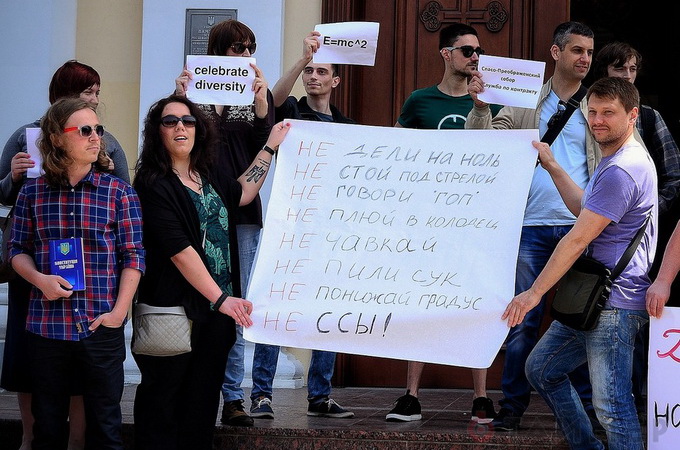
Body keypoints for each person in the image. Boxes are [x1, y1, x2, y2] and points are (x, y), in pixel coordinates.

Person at [131, 94, 289, 450]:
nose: (180, 127)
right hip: (175, 309)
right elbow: (179, 251)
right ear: (158, 133)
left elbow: (244, 192)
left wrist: (270, 147)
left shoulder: (209, 173)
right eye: (170, 122)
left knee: (202, 401)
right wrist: (221, 298)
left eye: (187, 121)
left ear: (198, 130)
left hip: (216, 313)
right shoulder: (153, 182)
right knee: (163, 399)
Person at [465, 21, 600, 431]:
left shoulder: (597, 104)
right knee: (522, 319)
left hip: (580, 228)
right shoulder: (526, 99)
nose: (585, 60)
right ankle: (513, 407)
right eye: (577, 51)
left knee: (580, 321)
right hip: (530, 226)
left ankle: (587, 414)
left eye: (590, 53)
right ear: (556, 53)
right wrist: (481, 106)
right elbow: (485, 142)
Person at [510, 76, 655, 450]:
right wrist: (554, 166)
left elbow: (577, 238)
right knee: (541, 370)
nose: (597, 120)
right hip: (593, 300)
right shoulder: (615, 161)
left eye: (608, 113)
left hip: (613, 304)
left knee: (613, 408)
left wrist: (533, 294)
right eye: (592, 112)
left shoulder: (622, 169)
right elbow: (585, 209)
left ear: (632, 115)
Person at [0, 59, 131, 450]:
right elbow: (9, 211)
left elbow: (130, 237)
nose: (93, 99)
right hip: (38, 286)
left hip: (95, 296)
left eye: (95, 93)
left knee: (98, 397)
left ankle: (77, 440)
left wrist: (120, 309)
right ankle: (30, 436)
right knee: (40, 384)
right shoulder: (25, 139)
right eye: (86, 92)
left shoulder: (107, 162)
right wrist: (15, 176)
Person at [385, 22, 502, 423]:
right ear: (446, 54)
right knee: (421, 301)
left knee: (477, 302)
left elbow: (501, 158)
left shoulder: (493, 101)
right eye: (467, 50)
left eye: (478, 51)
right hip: (427, 223)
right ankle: (411, 395)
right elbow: (393, 153)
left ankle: (481, 397)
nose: (474, 57)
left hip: (476, 223)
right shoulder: (419, 101)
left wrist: (482, 105)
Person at [245, 31, 355, 420]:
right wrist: (300, 57)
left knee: (329, 308)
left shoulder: (347, 126)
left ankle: (320, 395)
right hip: (287, 225)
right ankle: (261, 394)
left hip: (330, 230)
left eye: (321, 71)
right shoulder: (290, 110)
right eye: (309, 71)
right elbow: (270, 101)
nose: (313, 77)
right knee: (274, 307)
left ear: (335, 81)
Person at [174, 19, 274, 427]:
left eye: (250, 47)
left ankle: (232, 397)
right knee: (199, 300)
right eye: (236, 48)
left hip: (243, 214)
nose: (245, 55)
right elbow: (181, 142)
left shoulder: (250, 101)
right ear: (218, 52)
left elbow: (265, 147)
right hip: (197, 211)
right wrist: (184, 96)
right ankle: (191, 386)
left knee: (236, 305)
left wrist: (263, 104)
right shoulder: (190, 103)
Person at [592, 41, 680, 422]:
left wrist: (645, 215)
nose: (627, 76)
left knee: (637, 317)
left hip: (640, 239)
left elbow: (673, 174)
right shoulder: (590, 117)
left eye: (632, 70)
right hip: (594, 233)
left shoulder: (646, 118)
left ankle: (640, 398)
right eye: (618, 70)